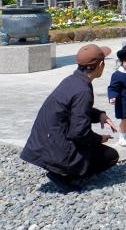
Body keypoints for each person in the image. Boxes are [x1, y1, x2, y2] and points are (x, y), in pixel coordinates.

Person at [20, 44, 119, 188]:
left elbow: (74, 110)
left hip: (41, 145)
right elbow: (79, 133)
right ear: (101, 65)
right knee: (111, 156)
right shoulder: (83, 90)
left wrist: (99, 115)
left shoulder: (72, 80)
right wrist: (99, 139)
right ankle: (64, 175)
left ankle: (60, 169)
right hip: (56, 151)